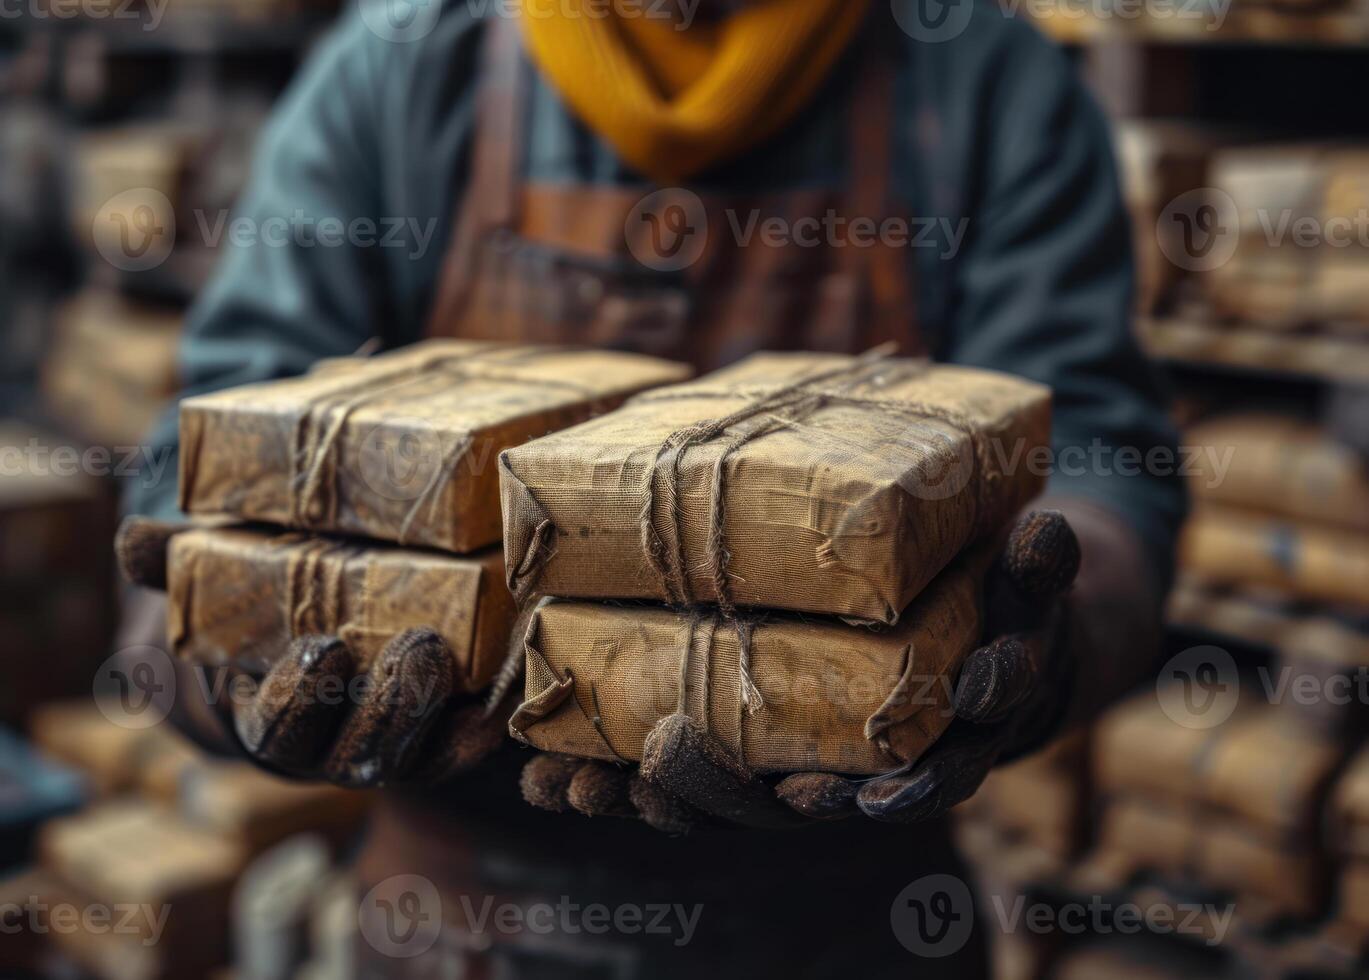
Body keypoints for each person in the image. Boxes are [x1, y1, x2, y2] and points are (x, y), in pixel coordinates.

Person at [118, 0, 1186, 975]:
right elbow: (214, 440)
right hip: (455, 911)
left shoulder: (977, 74)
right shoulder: (401, 65)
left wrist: (1049, 631)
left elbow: (1094, 447)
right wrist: (219, 641)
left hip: (847, 913)